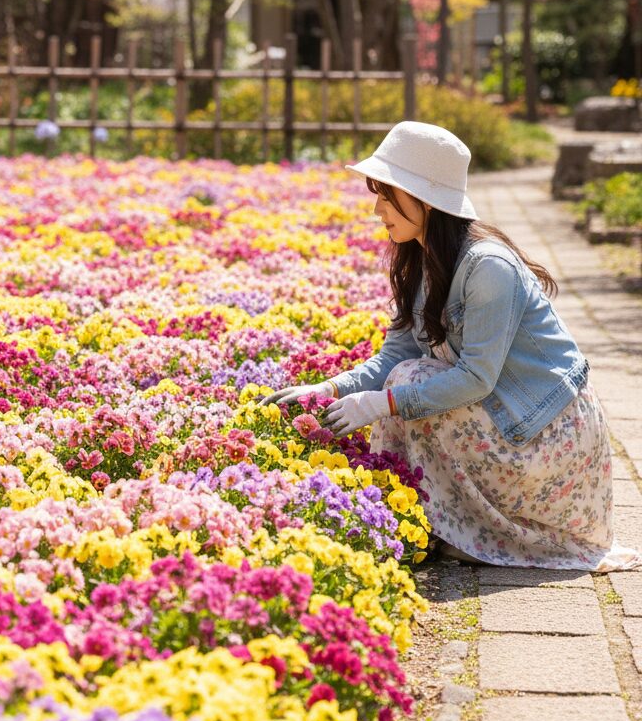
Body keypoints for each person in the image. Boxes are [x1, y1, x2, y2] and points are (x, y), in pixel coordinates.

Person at [263, 120, 641, 571]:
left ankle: (449, 527)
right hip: (508, 422)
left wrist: (381, 403)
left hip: (548, 441)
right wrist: (330, 390)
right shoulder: (422, 258)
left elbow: (475, 379)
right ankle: (432, 523)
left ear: (423, 199)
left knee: (409, 386)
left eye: (386, 195)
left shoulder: (488, 267)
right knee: (407, 378)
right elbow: (396, 354)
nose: (377, 210)